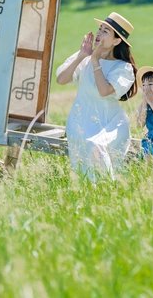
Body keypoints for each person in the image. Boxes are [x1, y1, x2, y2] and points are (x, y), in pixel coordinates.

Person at [56, 12, 137, 180]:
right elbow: (61, 80)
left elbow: (104, 91)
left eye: (105, 31)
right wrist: (81, 56)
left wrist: (95, 61)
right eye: (99, 29)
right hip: (81, 122)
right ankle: (95, 189)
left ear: (116, 41)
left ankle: (108, 187)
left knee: (97, 145)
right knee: (90, 146)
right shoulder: (85, 57)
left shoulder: (123, 68)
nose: (99, 33)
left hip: (111, 123)